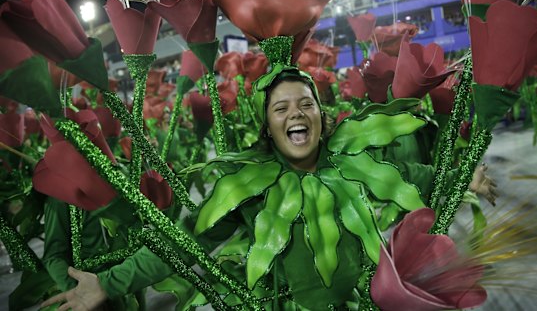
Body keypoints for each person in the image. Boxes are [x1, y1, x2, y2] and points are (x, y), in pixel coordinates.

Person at [41, 64, 497, 310]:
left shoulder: (359, 162)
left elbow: (422, 179)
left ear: (322, 116)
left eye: (306, 104)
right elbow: (177, 243)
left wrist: (466, 176)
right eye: (281, 108)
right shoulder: (246, 186)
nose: (296, 113)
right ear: (267, 126)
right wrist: (108, 283)